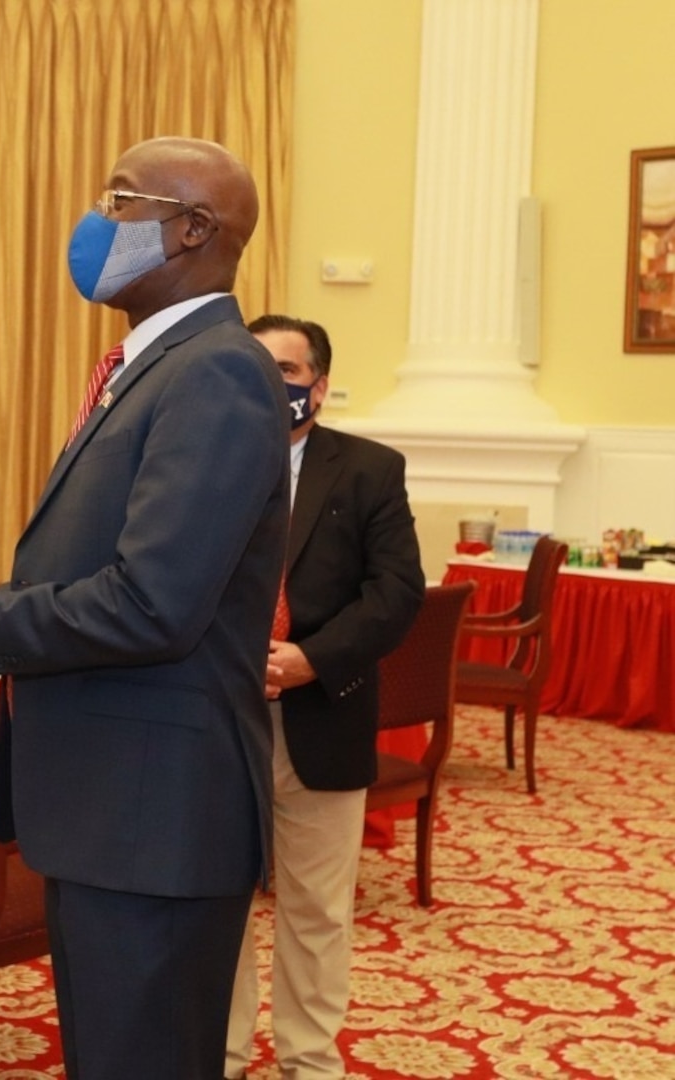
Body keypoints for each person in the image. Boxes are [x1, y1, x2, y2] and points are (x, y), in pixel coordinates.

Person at [0, 137, 291, 1078]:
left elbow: (152, 606)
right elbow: (117, 566)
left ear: (191, 230)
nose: (97, 222)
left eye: (118, 200)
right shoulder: (151, 365)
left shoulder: (215, 370)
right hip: (118, 811)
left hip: (156, 820)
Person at [224, 316, 424, 1080]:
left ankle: (308, 1062)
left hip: (321, 716)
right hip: (218, 722)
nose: (273, 383)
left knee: (314, 914)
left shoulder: (369, 469)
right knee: (218, 908)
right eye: (255, 365)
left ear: (320, 383)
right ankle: (223, 1053)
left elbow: (396, 592)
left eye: (287, 368)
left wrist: (310, 658)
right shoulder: (202, 461)